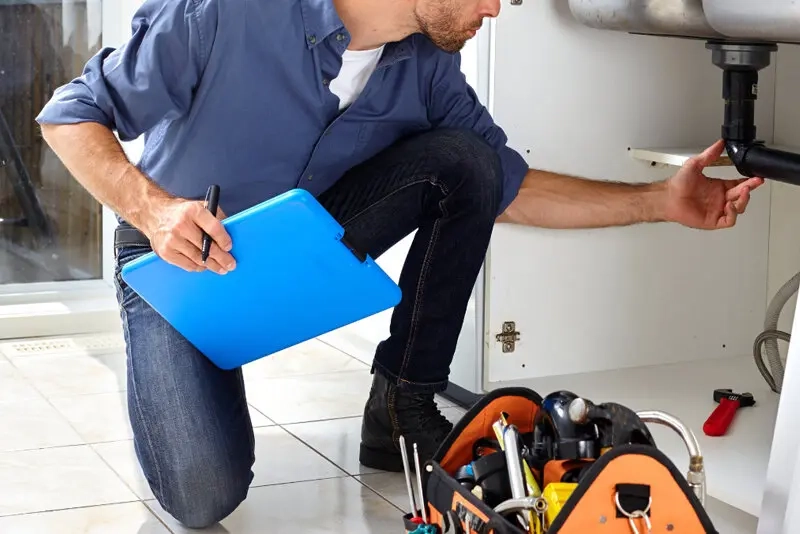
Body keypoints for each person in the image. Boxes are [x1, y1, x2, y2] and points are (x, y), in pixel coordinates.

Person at [35, 0, 762, 528]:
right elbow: (70, 114)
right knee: (202, 497)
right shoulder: (225, 12)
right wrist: (155, 210)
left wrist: (660, 202)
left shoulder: (427, 71)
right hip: (183, 260)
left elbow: (508, 187)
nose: (494, 10)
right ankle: (196, 358)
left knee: (467, 162)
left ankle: (399, 408)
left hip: (299, 244)